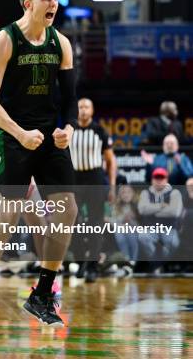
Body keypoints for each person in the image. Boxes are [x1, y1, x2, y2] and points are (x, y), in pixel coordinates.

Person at [0, 0, 78, 330]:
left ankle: (42, 294)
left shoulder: (61, 42)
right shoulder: (4, 40)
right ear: (28, 3)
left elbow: (71, 100)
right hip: (10, 134)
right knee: (8, 213)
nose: (54, 4)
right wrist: (18, 132)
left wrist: (68, 129)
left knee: (68, 209)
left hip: (47, 136)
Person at [70, 98, 116, 282]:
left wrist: (111, 187)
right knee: (71, 222)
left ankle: (92, 266)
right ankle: (81, 261)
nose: (82, 110)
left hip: (95, 178)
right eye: (79, 107)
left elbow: (111, 161)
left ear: (92, 110)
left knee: (95, 223)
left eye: (86, 107)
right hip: (74, 179)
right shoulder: (69, 129)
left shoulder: (100, 131)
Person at [137, 167, 183, 273]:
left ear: (166, 179)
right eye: (156, 178)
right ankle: (156, 264)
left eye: (161, 178)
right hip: (150, 228)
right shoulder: (145, 193)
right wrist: (162, 205)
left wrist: (152, 209)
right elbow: (142, 210)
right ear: (152, 179)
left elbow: (174, 212)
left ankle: (160, 264)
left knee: (174, 242)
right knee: (143, 237)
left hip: (168, 228)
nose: (159, 180)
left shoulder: (174, 193)